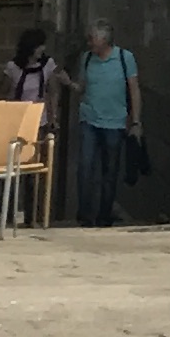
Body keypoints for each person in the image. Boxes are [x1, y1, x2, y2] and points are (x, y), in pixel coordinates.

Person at [71, 21, 140, 228]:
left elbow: (134, 90)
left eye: (92, 38)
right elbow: (81, 86)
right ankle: (85, 215)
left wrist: (135, 120)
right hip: (90, 120)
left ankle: (104, 215)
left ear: (104, 40)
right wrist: (69, 83)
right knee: (85, 167)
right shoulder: (86, 58)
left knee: (110, 171)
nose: (89, 42)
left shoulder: (125, 58)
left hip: (115, 123)